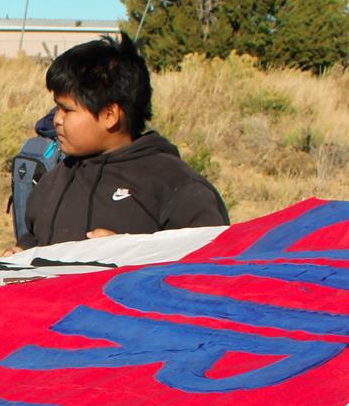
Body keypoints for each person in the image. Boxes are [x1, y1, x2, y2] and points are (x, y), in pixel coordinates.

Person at [19, 35, 226, 248]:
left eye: (67, 110)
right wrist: (21, 252)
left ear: (110, 115)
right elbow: (33, 237)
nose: (57, 119)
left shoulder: (175, 186)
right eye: (57, 108)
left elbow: (209, 263)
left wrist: (130, 252)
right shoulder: (51, 182)